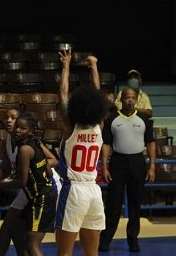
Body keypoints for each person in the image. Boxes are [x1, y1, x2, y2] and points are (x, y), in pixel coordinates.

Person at [0, 108, 60, 256]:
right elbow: (4, 170)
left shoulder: (29, 144)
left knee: (26, 237)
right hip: (30, 188)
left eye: (14, 118)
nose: (9, 121)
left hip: (44, 185)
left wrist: (37, 168)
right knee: (12, 229)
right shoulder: (8, 142)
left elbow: (53, 160)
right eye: (7, 118)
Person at [99, 87, 156, 252]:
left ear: (136, 100)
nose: (130, 100)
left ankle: (133, 240)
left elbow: (151, 143)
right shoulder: (112, 119)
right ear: (121, 100)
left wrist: (152, 166)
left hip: (137, 162)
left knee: (135, 203)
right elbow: (106, 144)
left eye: (133, 98)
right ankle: (105, 240)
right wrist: (104, 165)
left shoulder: (144, 119)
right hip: (118, 162)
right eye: (127, 98)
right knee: (113, 204)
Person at [55, 83, 110, 256]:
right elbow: (97, 92)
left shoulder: (70, 129)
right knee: (92, 254)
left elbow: (63, 94)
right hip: (94, 190)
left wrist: (65, 66)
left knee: (64, 253)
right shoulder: (99, 127)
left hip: (74, 190)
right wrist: (94, 67)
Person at [14, 112, 57, 256]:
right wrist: (42, 166)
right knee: (26, 240)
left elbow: (22, 181)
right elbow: (51, 161)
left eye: (22, 128)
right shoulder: (35, 142)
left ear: (30, 130)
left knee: (33, 245)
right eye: (16, 127)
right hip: (43, 195)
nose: (17, 130)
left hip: (42, 197)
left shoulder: (25, 149)